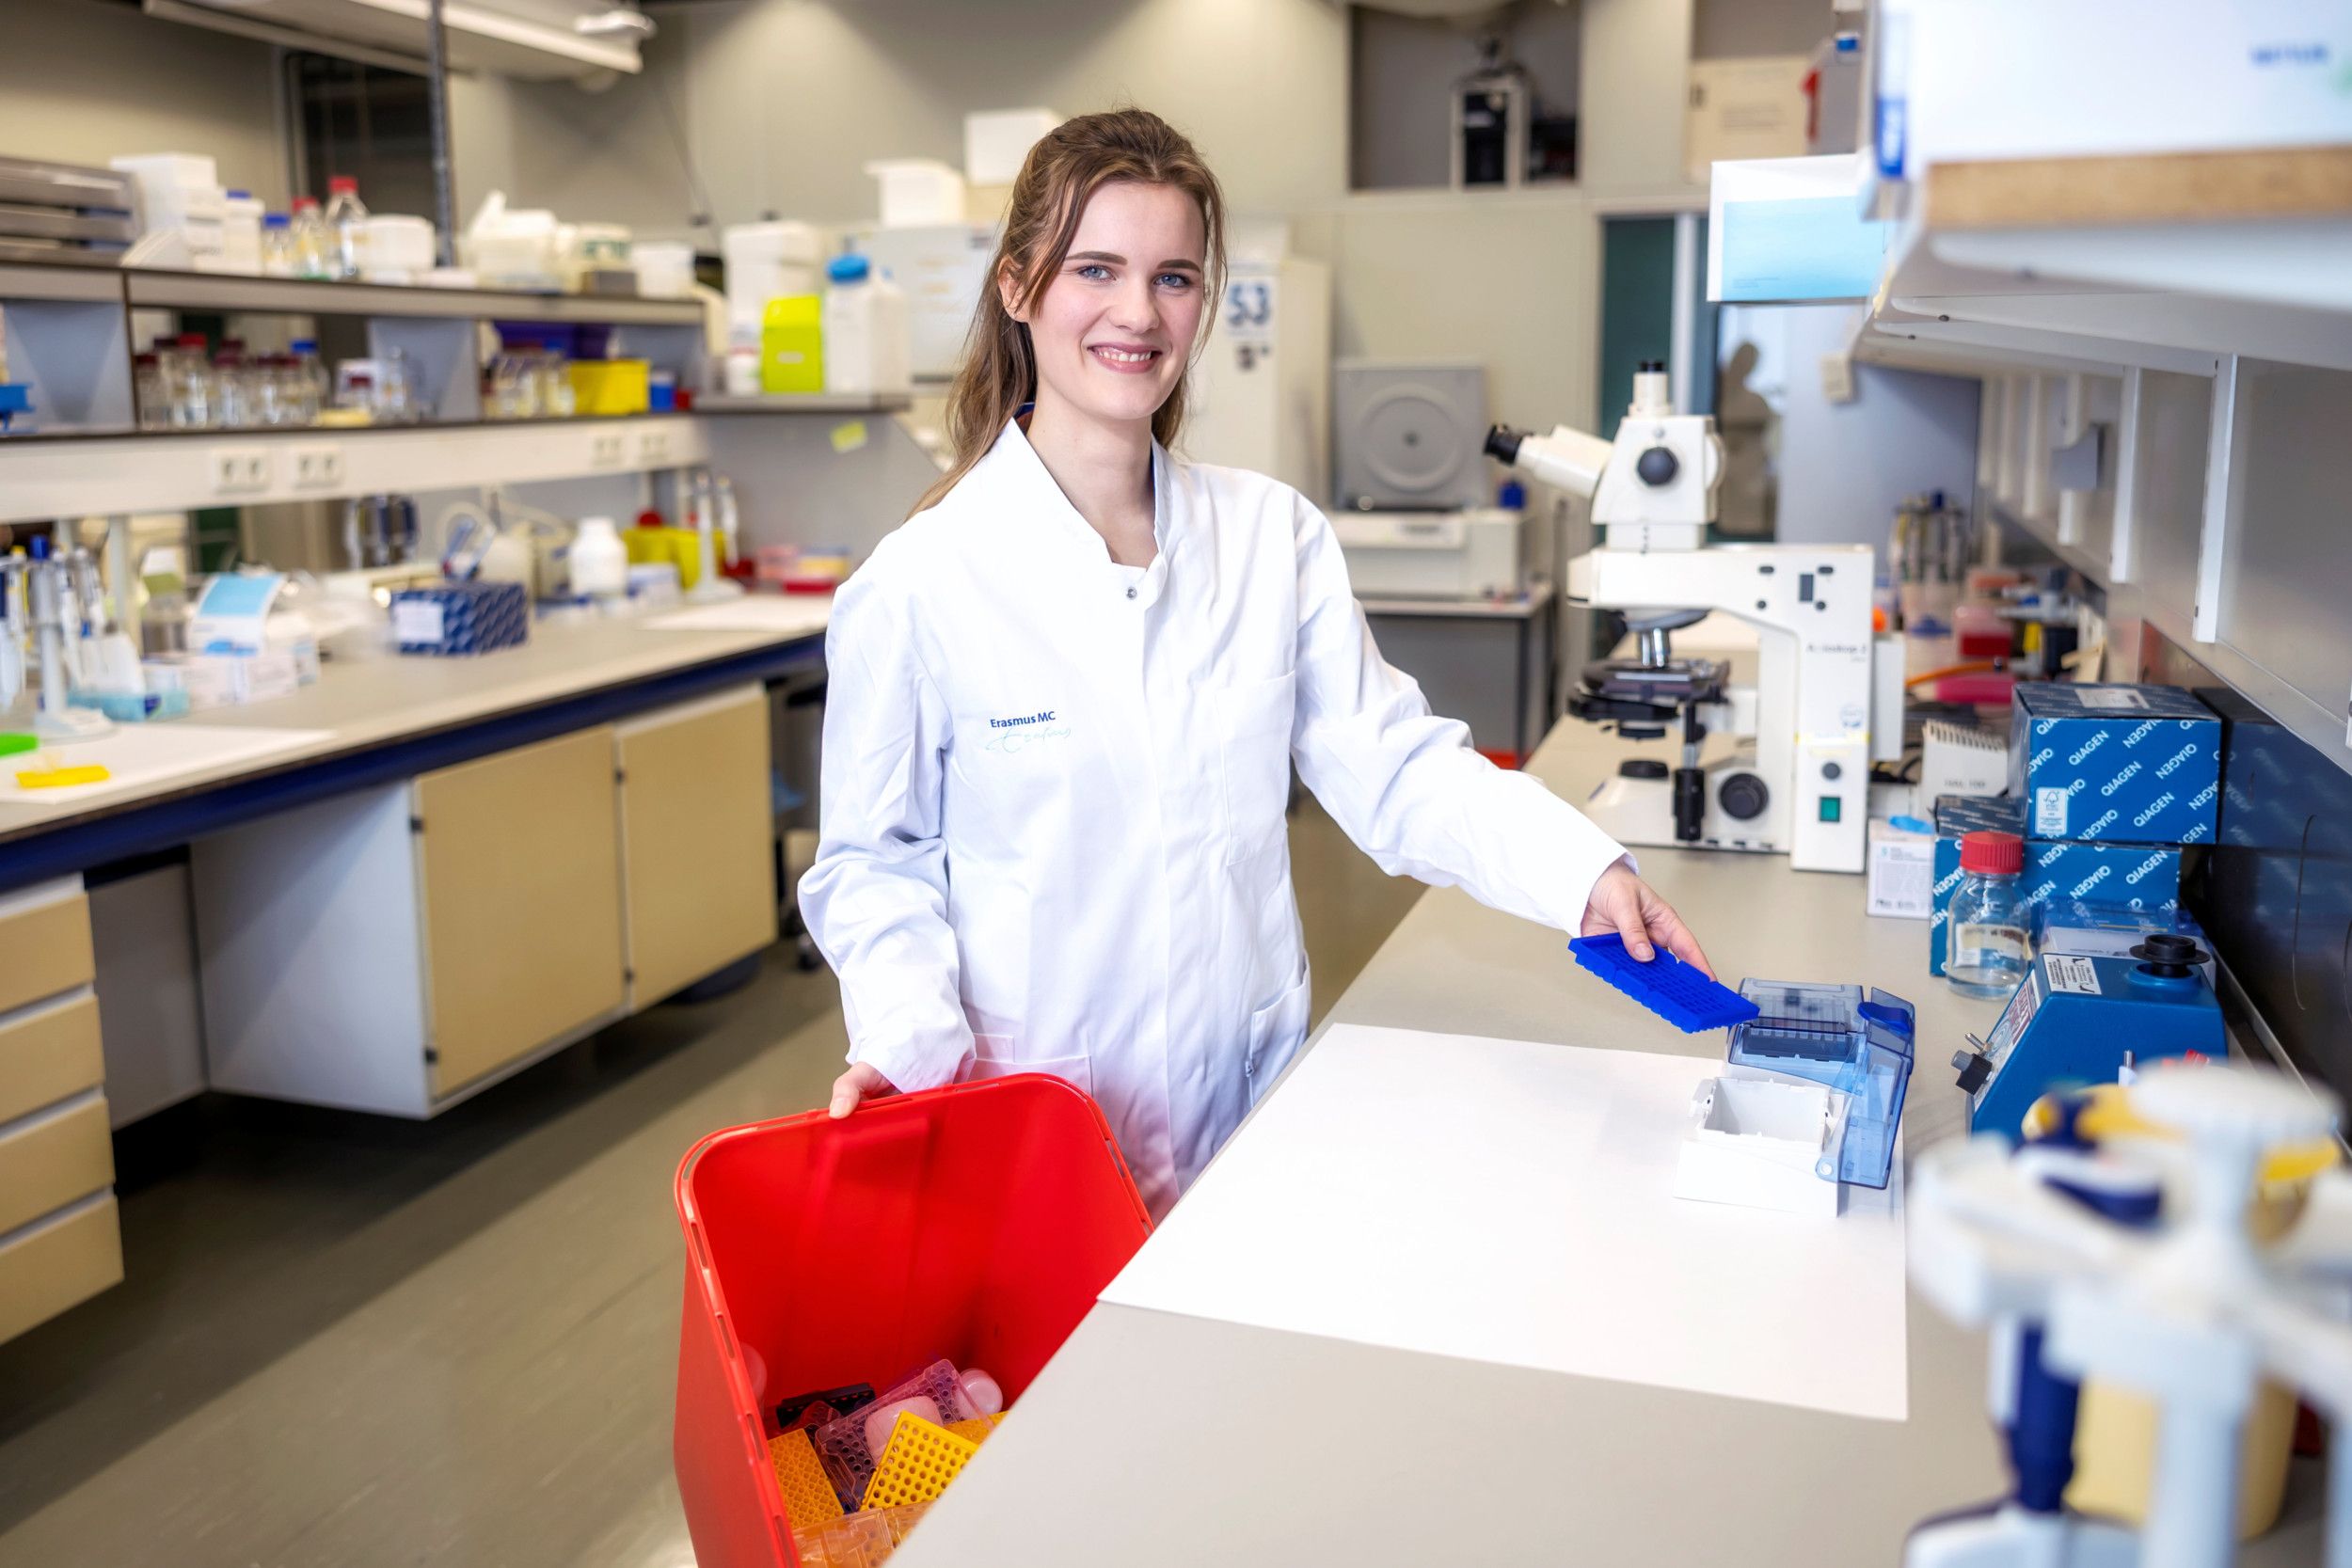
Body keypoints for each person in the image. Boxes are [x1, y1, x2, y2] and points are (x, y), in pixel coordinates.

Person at [801, 108, 1709, 1219]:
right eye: (1096, 268)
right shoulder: (920, 583)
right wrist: (905, 1034)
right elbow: (870, 864)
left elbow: (1397, 769)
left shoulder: (1269, 538)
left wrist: (1582, 873)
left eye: (1173, 277)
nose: (1138, 312)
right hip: (1030, 1130)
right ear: (1018, 287)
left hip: (1246, 1107)